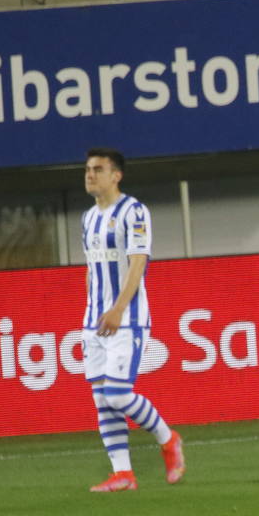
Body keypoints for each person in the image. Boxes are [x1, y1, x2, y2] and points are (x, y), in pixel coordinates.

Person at [80, 147, 185, 492]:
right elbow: (91, 270)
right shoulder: (87, 218)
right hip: (94, 321)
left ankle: (168, 439)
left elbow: (138, 263)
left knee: (118, 394)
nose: (90, 175)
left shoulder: (134, 211)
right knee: (101, 399)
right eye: (88, 170)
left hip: (126, 318)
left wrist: (119, 308)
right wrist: (92, 311)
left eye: (98, 169)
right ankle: (123, 473)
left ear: (116, 175)